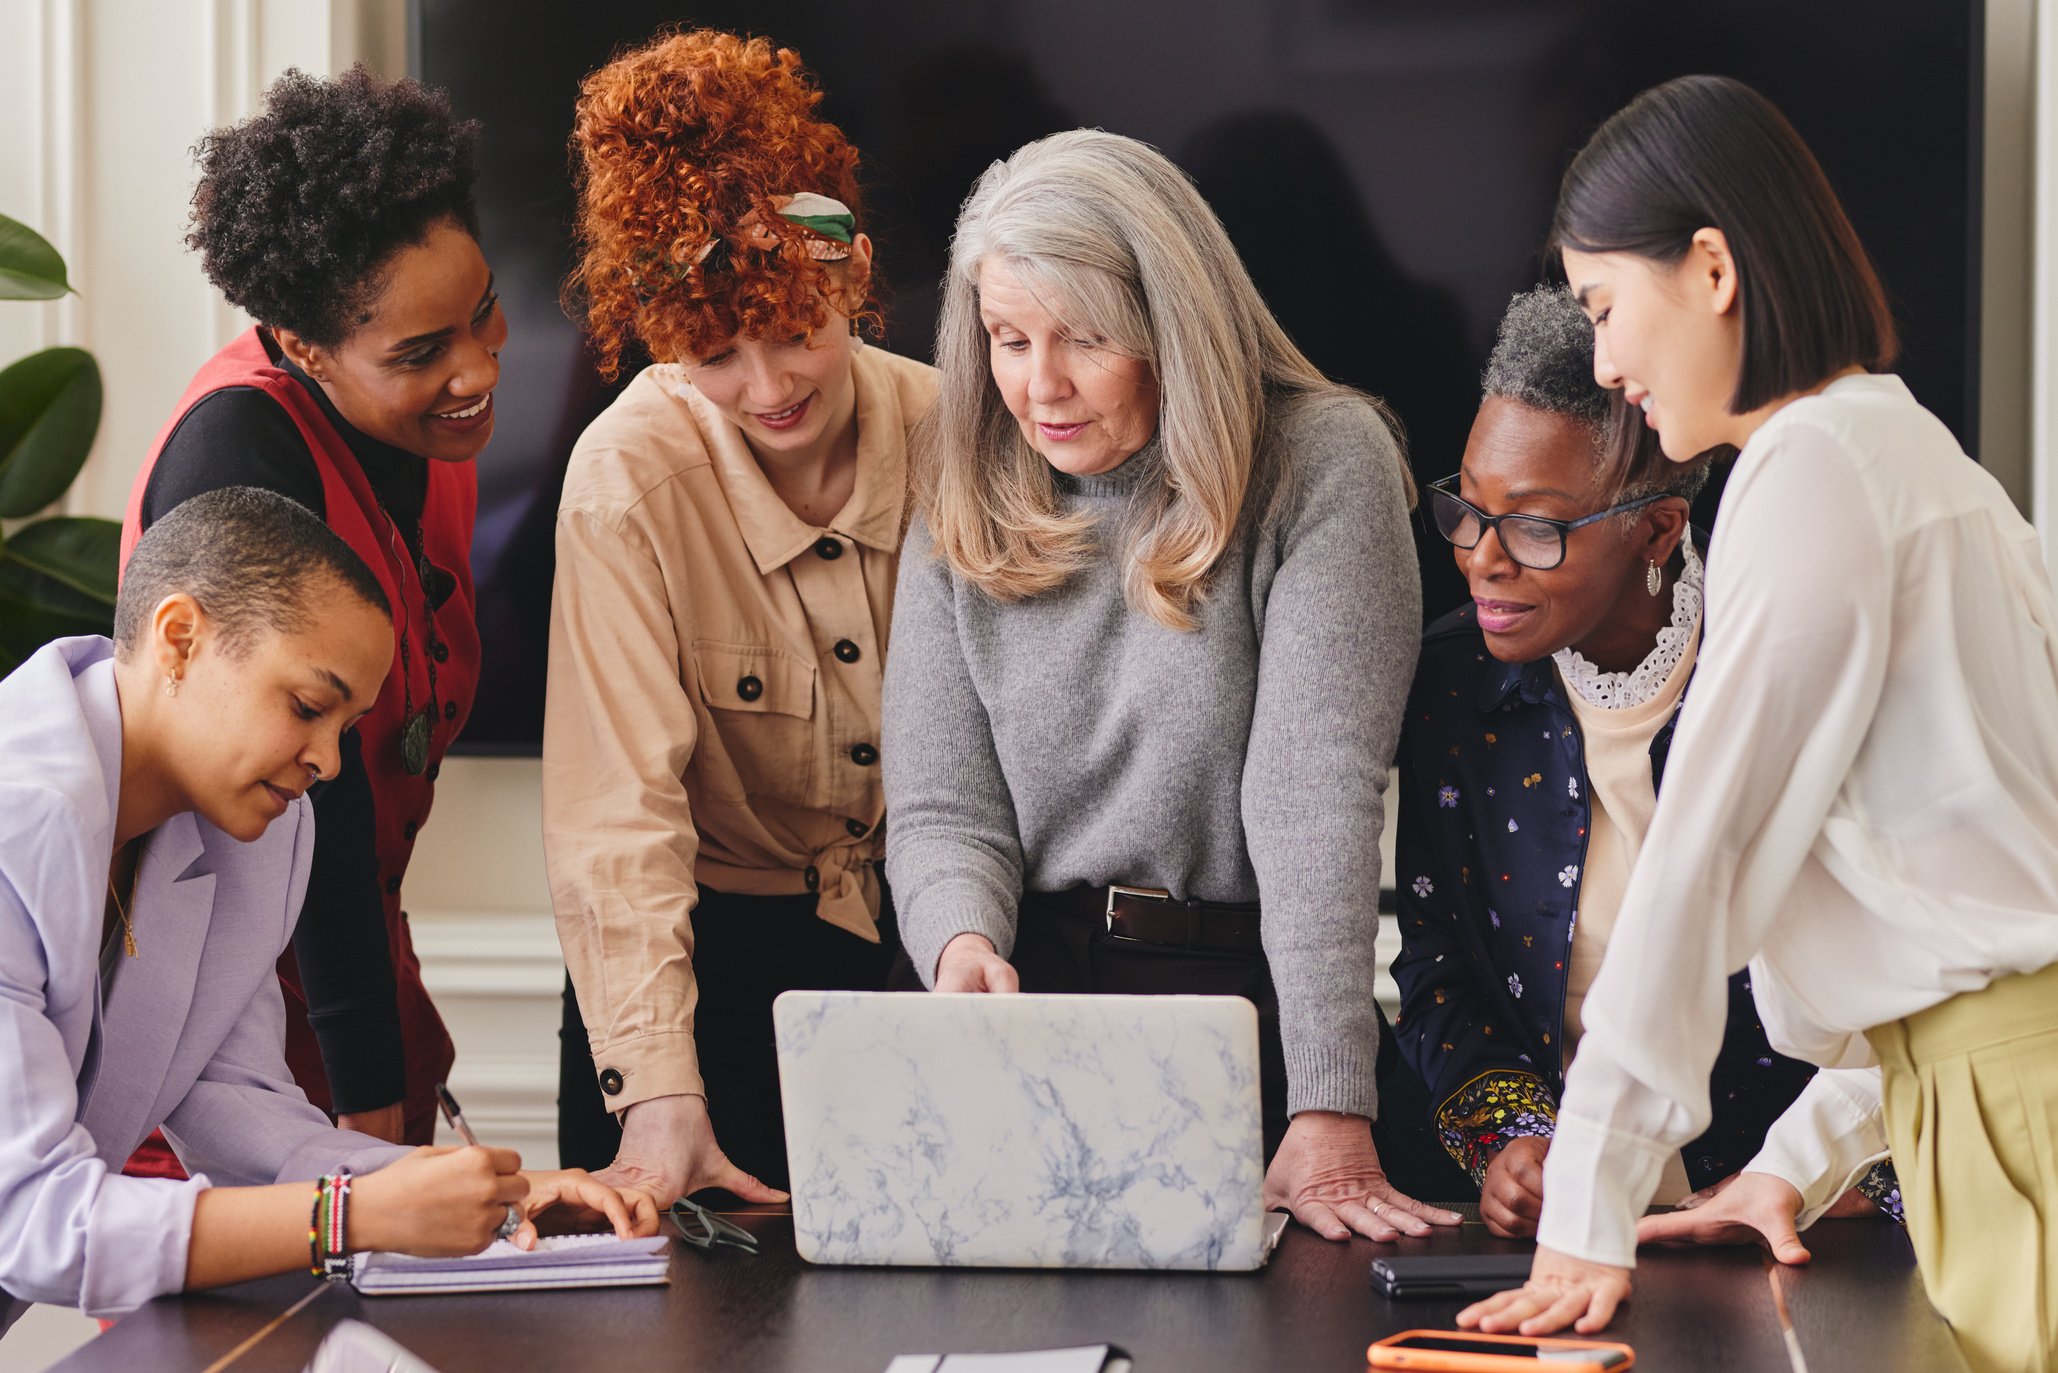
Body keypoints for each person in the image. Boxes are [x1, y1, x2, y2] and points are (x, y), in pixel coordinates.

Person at [1456, 77, 2058, 1373]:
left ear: (1714, 268)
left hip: (2016, 1115)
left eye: (1607, 307)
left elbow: (1702, 861)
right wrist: (1794, 1160)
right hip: (1980, 1104)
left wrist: (1586, 1211)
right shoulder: (1911, 461)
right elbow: (1965, 925)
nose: (1605, 363)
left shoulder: (1808, 473)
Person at [881, 128, 1460, 1243]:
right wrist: (959, 948)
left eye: (1084, 340)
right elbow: (945, 804)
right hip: (1022, 1003)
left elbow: (1313, 799)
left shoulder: (1322, 458)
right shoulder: (960, 477)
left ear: (1171, 327)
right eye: (1008, 339)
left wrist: (1329, 1098)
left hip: (1236, 1001)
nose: (1037, 386)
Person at [0, 489, 654, 1335]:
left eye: (346, 725)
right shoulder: (16, 811)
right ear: (180, 638)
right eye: (309, 706)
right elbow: (30, 1220)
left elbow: (236, 1103)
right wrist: (348, 1215)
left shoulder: (258, 830)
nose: (328, 761)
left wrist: (498, 1200)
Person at [1393, 285, 1896, 1237]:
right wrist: (1517, 1139)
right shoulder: (1453, 683)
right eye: (1467, 508)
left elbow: (1892, 992)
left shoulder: (1782, 660)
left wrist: (1804, 1174)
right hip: (1577, 1225)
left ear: (1658, 530)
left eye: (1535, 526)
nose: (1482, 559)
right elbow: (1438, 966)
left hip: (1802, 1218)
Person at [544, 29, 937, 1202]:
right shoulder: (624, 482)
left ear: (853, 278)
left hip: (934, 951)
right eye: (714, 355)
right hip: (703, 977)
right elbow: (618, 815)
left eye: (795, 331)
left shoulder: (967, 434)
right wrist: (664, 1091)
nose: (768, 389)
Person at [120, 67, 502, 1157]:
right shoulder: (238, 452)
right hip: (225, 1035)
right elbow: (309, 804)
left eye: (482, 312)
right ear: (302, 344)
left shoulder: (438, 437)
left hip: (363, 980)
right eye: (421, 354)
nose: (477, 369)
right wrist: (362, 1084)